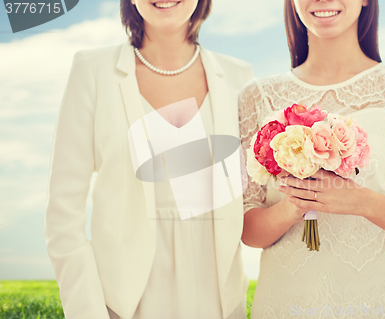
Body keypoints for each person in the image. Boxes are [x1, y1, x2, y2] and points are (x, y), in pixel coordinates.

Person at [239, 0, 385, 317]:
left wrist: (361, 201)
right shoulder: (256, 96)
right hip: (286, 299)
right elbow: (246, 228)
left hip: (378, 296)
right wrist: (294, 205)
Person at [44, 0, 253, 318]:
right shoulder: (93, 69)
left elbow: (256, 197)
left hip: (218, 302)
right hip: (124, 303)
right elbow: (63, 214)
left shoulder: (240, 77)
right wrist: (88, 311)